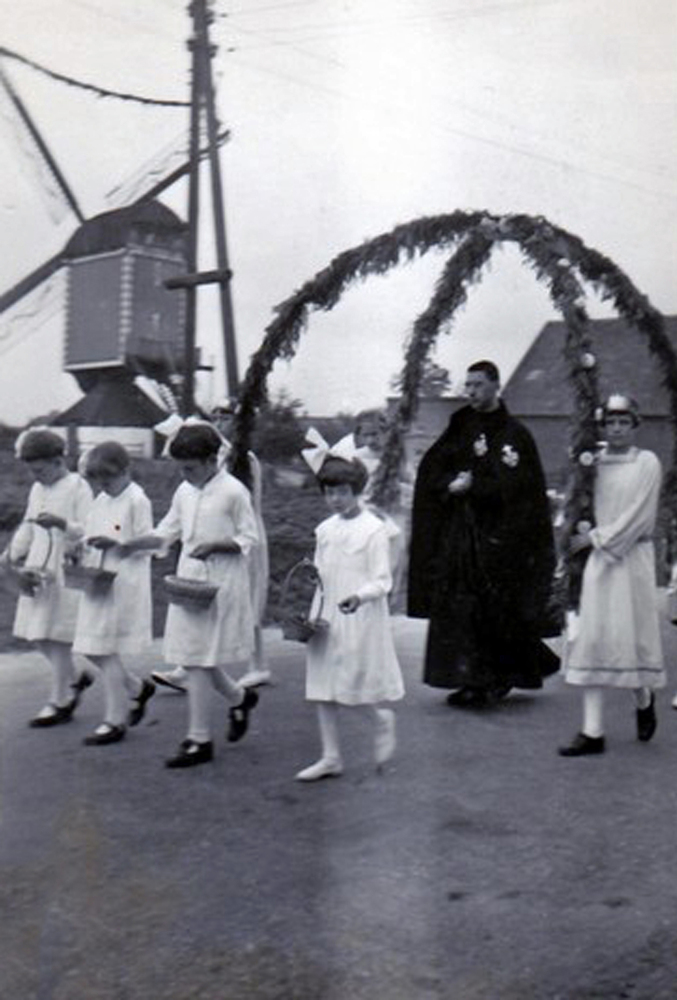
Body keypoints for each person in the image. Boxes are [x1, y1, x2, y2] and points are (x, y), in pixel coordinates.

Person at [408, 360, 559, 707]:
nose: (471, 392)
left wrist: (476, 486)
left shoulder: (515, 434)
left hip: (502, 540)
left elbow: (522, 488)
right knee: (463, 609)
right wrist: (450, 484)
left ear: (495, 385)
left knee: (497, 610)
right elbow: (434, 468)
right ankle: (469, 679)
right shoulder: (461, 424)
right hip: (463, 538)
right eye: (468, 385)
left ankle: (495, 680)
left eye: (478, 385)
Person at [124, 423, 260, 768]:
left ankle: (199, 739)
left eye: (191, 468)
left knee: (198, 657)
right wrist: (128, 545)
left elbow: (249, 537)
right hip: (189, 582)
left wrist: (216, 545)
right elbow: (166, 531)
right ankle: (239, 698)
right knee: (195, 656)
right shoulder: (185, 491)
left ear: (212, 459)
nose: (185, 475)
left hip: (221, 582)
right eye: (181, 469)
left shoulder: (234, 491)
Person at [559, 394, 665, 756]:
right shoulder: (592, 463)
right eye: (611, 423)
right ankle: (592, 731)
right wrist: (576, 530)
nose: (617, 429)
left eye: (624, 423)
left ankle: (643, 697)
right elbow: (577, 503)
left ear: (635, 426)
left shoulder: (647, 463)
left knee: (629, 637)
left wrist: (596, 537)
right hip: (599, 561)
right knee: (593, 638)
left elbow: (640, 514)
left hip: (632, 558)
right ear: (603, 427)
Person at [295, 453, 405, 782]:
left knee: (350, 681)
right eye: (329, 493)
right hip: (326, 611)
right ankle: (330, 757)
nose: (335, 499)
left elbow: (382, 580)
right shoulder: (325, 530)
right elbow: (321, 570)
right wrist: (312, 579)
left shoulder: (373, 530)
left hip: (358, 612)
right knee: (321, 684)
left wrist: (360, 596)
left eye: (342, 492)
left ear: (357, 491)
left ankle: (380, 721)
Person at [151, 402, 271, 692]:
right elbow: (170, 525)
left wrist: (220, 542)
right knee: (196, 624)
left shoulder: (242, 461)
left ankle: (255, 667)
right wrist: (137, 544)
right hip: (198, 558)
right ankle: (191, 669)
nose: (220, 422)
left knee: (246, 604)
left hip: (232, 542)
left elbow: (247, 514)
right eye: (215, 417)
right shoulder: (188, 482)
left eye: (226, 417)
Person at [0, 428, 94, 727]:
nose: (35, 476)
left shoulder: (77, 486)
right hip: (38, 567)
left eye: (40, 470)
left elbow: (89, 528)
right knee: (37, 633)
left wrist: (62, 523)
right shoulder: (38, 489)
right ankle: (76, 678)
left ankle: (60, 700)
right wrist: (10, 554)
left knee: (56, 635)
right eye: (31, 470)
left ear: (57, 461)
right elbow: (28, 525)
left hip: (64, 566)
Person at [72, 442, 156, 745]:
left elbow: (150, 542)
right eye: (98, 479)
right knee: (90, 646)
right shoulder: (101, 500)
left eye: (109, 477)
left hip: (124, 582)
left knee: (104, 648)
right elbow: (89, 533)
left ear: (125, 470)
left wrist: (119, 545)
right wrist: (80, 546)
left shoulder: (137, 500)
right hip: (98, 579)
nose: (103, 484)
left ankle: (115, 720)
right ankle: (136, 688)